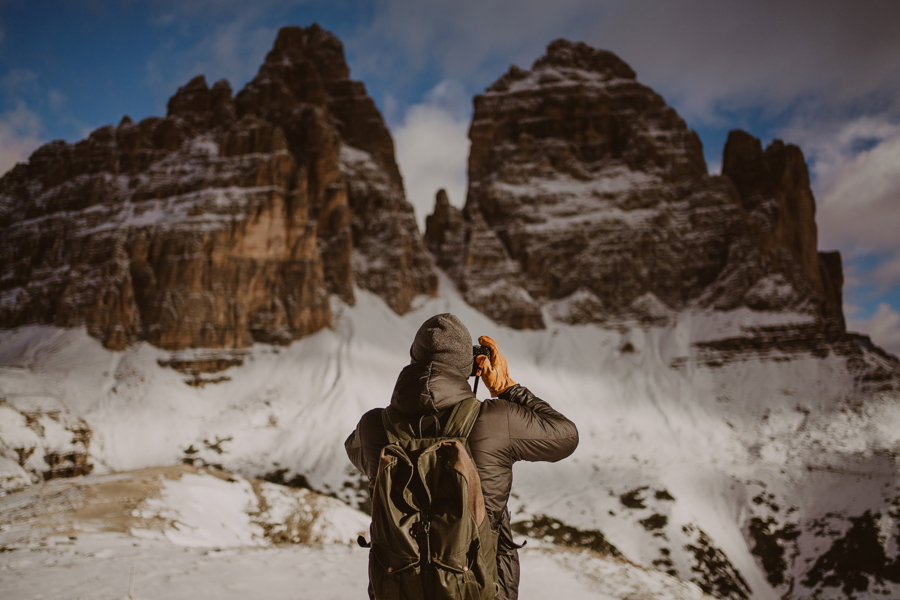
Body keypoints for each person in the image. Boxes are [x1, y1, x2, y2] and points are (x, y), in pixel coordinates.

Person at [345, 313, 579, 600]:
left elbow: (353, 450)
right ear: (468, 366)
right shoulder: (494, 420)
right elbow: (566, 436)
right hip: (482, 588)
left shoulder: (373, 427)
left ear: (413, 361)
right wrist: (507, 388)